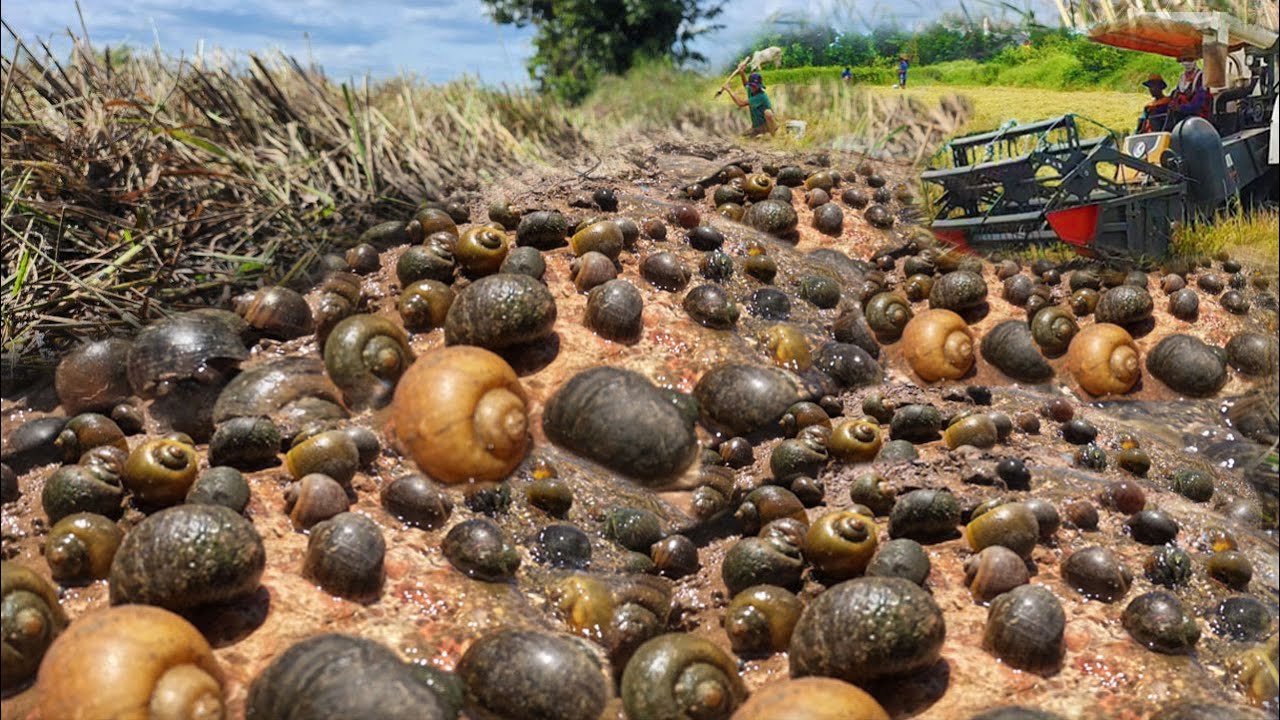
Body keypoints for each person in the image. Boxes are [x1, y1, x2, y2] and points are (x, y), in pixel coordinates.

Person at [723, 64, 778, 136]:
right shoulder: (751, 89)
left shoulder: (761, 96)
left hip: (766, 125)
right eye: (752, 85)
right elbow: (745, 84)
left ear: (759, 86)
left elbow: (740, 103)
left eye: (755, 86)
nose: (753, 87)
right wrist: (742, 72)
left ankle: (773, 135)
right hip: (757, 126)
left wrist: (729, 90)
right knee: (743, 136)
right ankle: (758, 132)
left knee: (768, 113)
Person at [1168, 58, 1211, 125]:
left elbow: (1199, 104)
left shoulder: (1201, 77)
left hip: (1198, 120)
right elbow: (1176, 96)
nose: (1187, 63)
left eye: (1190, 59)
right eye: (1184, 60)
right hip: (1180, 118)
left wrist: (1181, 108)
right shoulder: (1182, 78)